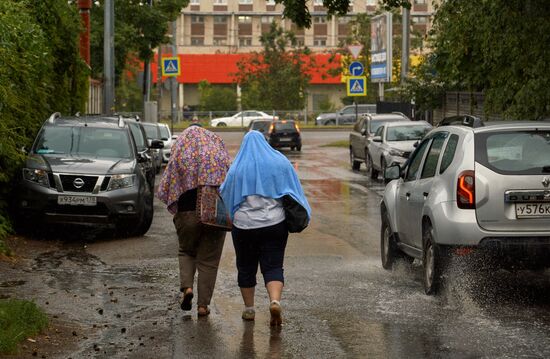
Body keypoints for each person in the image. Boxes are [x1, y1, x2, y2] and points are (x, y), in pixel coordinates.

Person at [220, 130, 311, 326]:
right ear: (265, 142)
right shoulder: (279, 163)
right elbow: (294, 190)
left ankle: (249, 309)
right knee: (274, 266)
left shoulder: (237, 168)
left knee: (245, 267)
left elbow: (225, 194)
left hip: (244, 226)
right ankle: (275, 301)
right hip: (274, 224)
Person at [157, 125, 231, 317]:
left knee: (186, 251)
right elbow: (230, 183)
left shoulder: (180, 157)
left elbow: (165, 186)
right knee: (209, 261)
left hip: (186, 213)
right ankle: (203, 306)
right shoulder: (218, 156)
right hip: (213, 214)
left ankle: (187, 288)